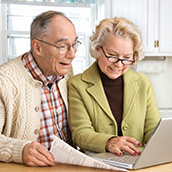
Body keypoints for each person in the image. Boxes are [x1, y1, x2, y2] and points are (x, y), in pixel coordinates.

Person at [68, 17, 161, 156]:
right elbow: (80, 133)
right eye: (112, 55)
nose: (119, 64)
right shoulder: (77, 85)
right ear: (97, 49)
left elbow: (152, 129)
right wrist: (109, 141)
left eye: (127, 57)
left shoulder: (143, 83)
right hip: (98, 164)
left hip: (136, 162)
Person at [0, 10, 81, 166]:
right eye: (63, 46)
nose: (72, 54)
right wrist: (20, 150)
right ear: (37, 47)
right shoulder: (4, 81)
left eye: (75, 44)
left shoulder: (67, 72)